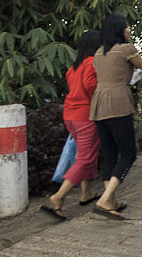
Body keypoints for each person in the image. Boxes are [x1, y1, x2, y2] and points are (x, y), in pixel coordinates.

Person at [89, 14, 142, 219]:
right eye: (127, 27)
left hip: (98, 104)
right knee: (128, 153)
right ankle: (105, 199)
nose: (129, 30)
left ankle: (110, 200)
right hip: (118, 103)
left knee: (110, 152)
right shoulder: (126, 49)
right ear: (119, 30)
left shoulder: (98, 53)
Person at [41, 30, 102, 220]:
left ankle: (86, 193)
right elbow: (91, 85)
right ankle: (59, 197)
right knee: (84, 158)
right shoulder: (92, 63)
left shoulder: (74, 66)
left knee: (88, 153)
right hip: (85, 116)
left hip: (70, 115)